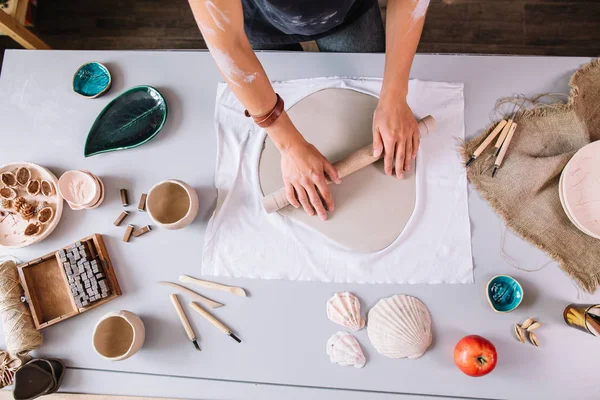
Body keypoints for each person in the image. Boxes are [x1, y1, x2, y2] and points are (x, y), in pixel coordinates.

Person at [188, 0, 429, 220]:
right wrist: (289, 144)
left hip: (347, 12)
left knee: (366, 75)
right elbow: (228, 43)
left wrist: (395, 95)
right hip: (260, 19)